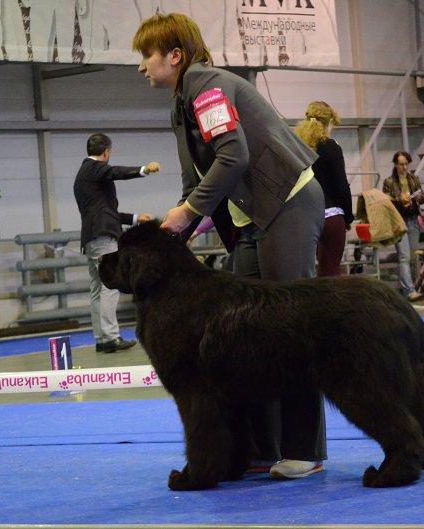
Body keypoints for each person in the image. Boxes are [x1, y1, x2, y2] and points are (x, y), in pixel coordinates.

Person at [132, 13, 327, 479]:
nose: (140, 66)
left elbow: (233, 154)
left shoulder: (207, 87)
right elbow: (193, 181)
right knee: (245, 335)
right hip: (251, 219)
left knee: (292, 328)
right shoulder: (181, 105)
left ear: (174, 56)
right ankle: (260, 449)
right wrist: (173, 230)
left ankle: (305, 450)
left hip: (288, 204)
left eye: (146, 55)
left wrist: (188, 211)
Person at [73, 133, 161, 353]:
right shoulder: (94, 168)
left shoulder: (85, 176)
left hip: (92, 237)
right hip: (103, 237)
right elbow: (115, 172)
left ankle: (102, 338)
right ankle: (111, 337)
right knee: (109, 286)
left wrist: (135, 218)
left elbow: (105, 211)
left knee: (97, 288)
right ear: (106, 152)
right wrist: (144, 169)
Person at [294, 101, 354, 276]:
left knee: (303, 273)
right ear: (329, 123)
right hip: (331, 215)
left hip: (304, 217)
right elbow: (341, 186)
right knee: (329, 273)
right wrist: (348, 217)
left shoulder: (298, 146)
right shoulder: (331, 147)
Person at [382, 151, 424, 301]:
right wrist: (399, 200)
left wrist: (419, 197)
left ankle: (410, 286)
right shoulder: (389, 182)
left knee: (412, 257)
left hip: (413, 219)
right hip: (398, 221)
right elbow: (385, 202)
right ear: (395, 164)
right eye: (401, 164)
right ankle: (409, 290)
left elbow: (423, 197)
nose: (404, 167)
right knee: (404, 256)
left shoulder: (414, 179)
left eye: (406, 164)